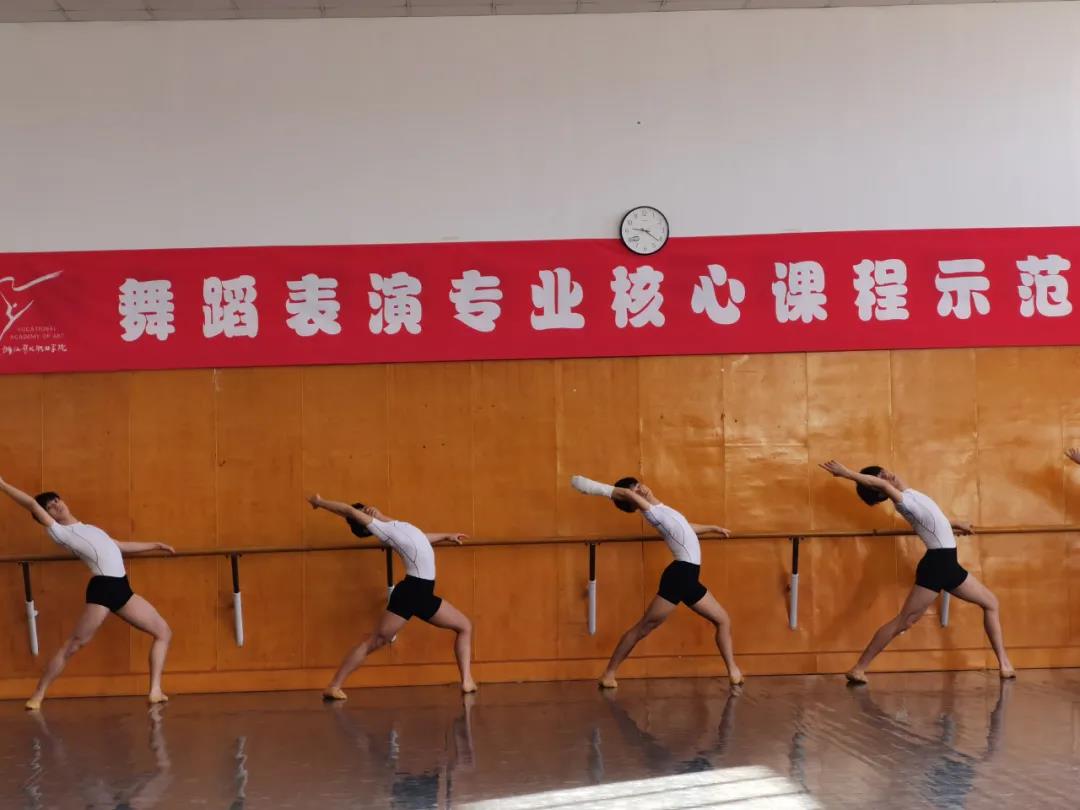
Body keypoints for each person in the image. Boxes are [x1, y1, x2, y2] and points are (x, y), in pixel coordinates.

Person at [819, 460, 1015, 684]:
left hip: (948, 564)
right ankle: (859, 668)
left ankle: (1004, 665)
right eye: (880, 477)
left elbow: (933, 519)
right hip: (937, 565)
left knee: (991, 603)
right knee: (903, 621)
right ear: (880, 490)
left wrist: (955, 523)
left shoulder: (911, 495)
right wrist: (847, 473)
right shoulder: (902, 502)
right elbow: (883, 486)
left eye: (882, 472)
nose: (886, 475)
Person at [0, 475, 174, 710]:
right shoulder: (60, 532)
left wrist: (155, 545)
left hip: (122, 588)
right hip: (103, 587)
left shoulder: (88, 528)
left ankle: (155, 690)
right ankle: (38, 694)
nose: (56, 505)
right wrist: (2, 485)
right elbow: (31, 504)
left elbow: (119, 546)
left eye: (56, 500)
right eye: (49, 507)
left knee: (163, 632)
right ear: (45, 516)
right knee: (74, 645)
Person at [570, 475, 743, 688]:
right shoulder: (652, 513)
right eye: (635, 490)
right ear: (632, 500)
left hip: (688, 577)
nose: (641, 489)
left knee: (723, 620)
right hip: (680, 576)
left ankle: (733, 672)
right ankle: (609, 673)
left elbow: (685, 527)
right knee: (643, 627)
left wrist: (713, 528)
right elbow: (624, 494)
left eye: (639, 485)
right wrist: (597, 488)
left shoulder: (662, 508)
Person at [307, 494, 476, 698]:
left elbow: (420, 538)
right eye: (364, 512)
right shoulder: (383, 529)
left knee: (464, 626)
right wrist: (319, 502)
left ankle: (467, 681)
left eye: (366, 507)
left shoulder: (396, 526)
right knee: (374, 641)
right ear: (364, 523)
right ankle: (334, 685)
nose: (368, 510)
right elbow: (347, 511)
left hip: (421, 593)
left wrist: (448, 535)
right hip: (413, 591)